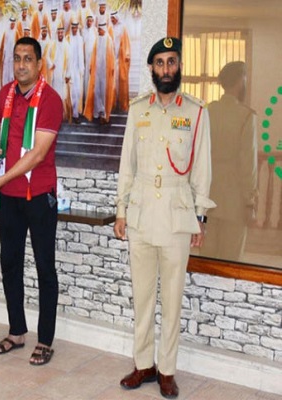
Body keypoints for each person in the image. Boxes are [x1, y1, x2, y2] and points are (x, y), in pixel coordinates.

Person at [114, 37, 215, 399]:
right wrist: (121, 210)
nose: (166, 69)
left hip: (177, 216)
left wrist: (200, 217)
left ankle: (167, 370)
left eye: (172, 62)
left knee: (172, 299)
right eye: (160, 63)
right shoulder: (138, 110)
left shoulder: (196, 112)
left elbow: (202, 168)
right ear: (152, 68)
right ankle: (144, 364)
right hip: (141, 214)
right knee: (142, 297)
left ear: (179, 66)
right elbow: (127, 165)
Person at [0, 37, 63, 366]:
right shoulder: (5, 94)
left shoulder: (51, 100)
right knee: (10, 263)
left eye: (28, 58)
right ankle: (16, 332)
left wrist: (0, 180)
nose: (21, 64)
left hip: (39, 196)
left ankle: (45, 340)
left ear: (39, 64)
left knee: (45, 268)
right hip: (9, 198)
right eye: (16, 58)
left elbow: (39, 153)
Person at [200, 61, 258, 261]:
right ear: (240, 81)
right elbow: (248, 165)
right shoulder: (246, 117)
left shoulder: (207, 112)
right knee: (230, 261)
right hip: (235, 201)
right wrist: (250, 202)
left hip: (207, 197)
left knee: (207, 260)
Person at [83, 15, 115, 124]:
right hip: (97, 71)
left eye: (100, 30)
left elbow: (112, 56)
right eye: (99, 29)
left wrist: (112, 69)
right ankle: (97, 112)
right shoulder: (97, 40)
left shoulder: (109, 40)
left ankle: (104, 114)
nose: (99, 31)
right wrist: (91, 67)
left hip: (105, 72)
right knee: (96, 91)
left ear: (104, 29)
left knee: (103, 93)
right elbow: (93, 55)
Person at [110, 10, 131, 112]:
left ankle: (123, 104)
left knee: (122, 80)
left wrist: (127, 54)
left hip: (121, 57)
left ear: (117, 18)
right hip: (113, 57)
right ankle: (113, 104)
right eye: (111, 18)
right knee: (113, 81)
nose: (112, 20)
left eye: (113, 18)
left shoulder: (123, 28)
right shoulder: (110, 28)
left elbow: (126, 42)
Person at [0, 16, 17, 86]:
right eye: (11, 24)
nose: (12, 25)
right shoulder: (6, 33)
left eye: (13, 24)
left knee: (12, 74)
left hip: (13, 57)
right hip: (6, 57)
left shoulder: (16, 33)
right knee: (6, 73)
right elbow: (2, 46)